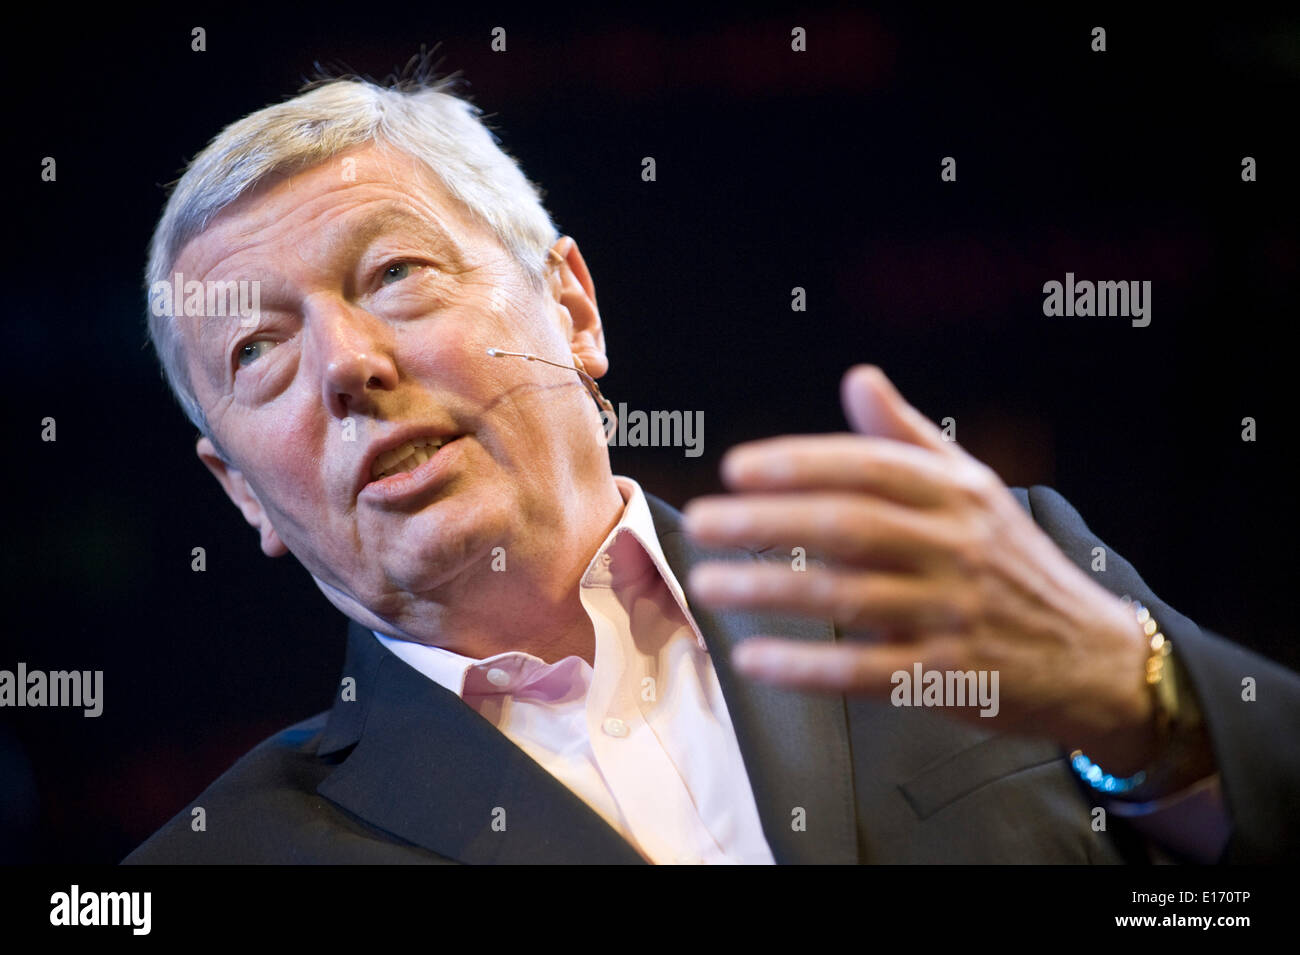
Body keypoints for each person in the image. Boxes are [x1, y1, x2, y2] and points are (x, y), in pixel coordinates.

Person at [124, 72, 1300, 864]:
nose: (346, 362)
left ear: (572, 309)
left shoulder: (968, 580)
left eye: (392, 274)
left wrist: (1153, 715)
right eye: (257, 349)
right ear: (238, 490)